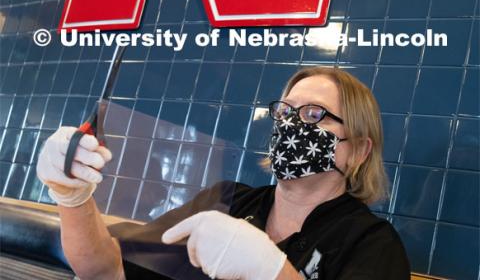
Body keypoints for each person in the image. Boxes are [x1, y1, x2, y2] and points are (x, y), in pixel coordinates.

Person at [37, 66, 410, 279]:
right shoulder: (226, 201)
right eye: (284, 112)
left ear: (359, 150)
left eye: (313, 114)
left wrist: (271, 272)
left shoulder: (372, 243)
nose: (291, 125)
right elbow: (106, 272)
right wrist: (72, 196)